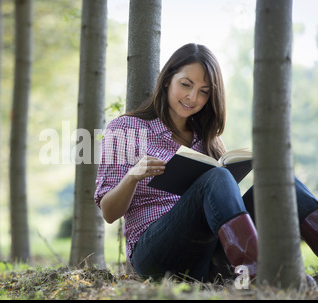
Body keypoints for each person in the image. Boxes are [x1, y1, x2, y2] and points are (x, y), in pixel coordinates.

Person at [94, 43, 318, 283]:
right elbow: (108, 212)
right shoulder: (127, 129)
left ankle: (246, 271)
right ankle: (257, 276)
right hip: (156, 253)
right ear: (168, 79)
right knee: (216, 177)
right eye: (186, 84)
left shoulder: (207, 139)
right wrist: (133, 176)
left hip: (208, 253)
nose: (193, 98)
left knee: (281, 184)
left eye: (204, 91)